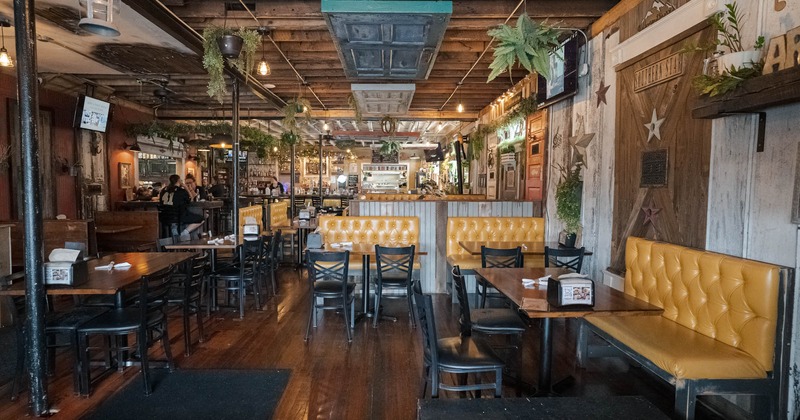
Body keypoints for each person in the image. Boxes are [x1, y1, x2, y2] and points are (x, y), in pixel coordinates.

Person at [159, 174, 204, 240]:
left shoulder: (163, 190)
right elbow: (191, 199)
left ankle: (174, 234)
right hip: (179, 216)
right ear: (179, 181)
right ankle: (184, 233)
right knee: (201, 218)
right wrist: (186, 188)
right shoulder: (181, 191)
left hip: (164, 217)